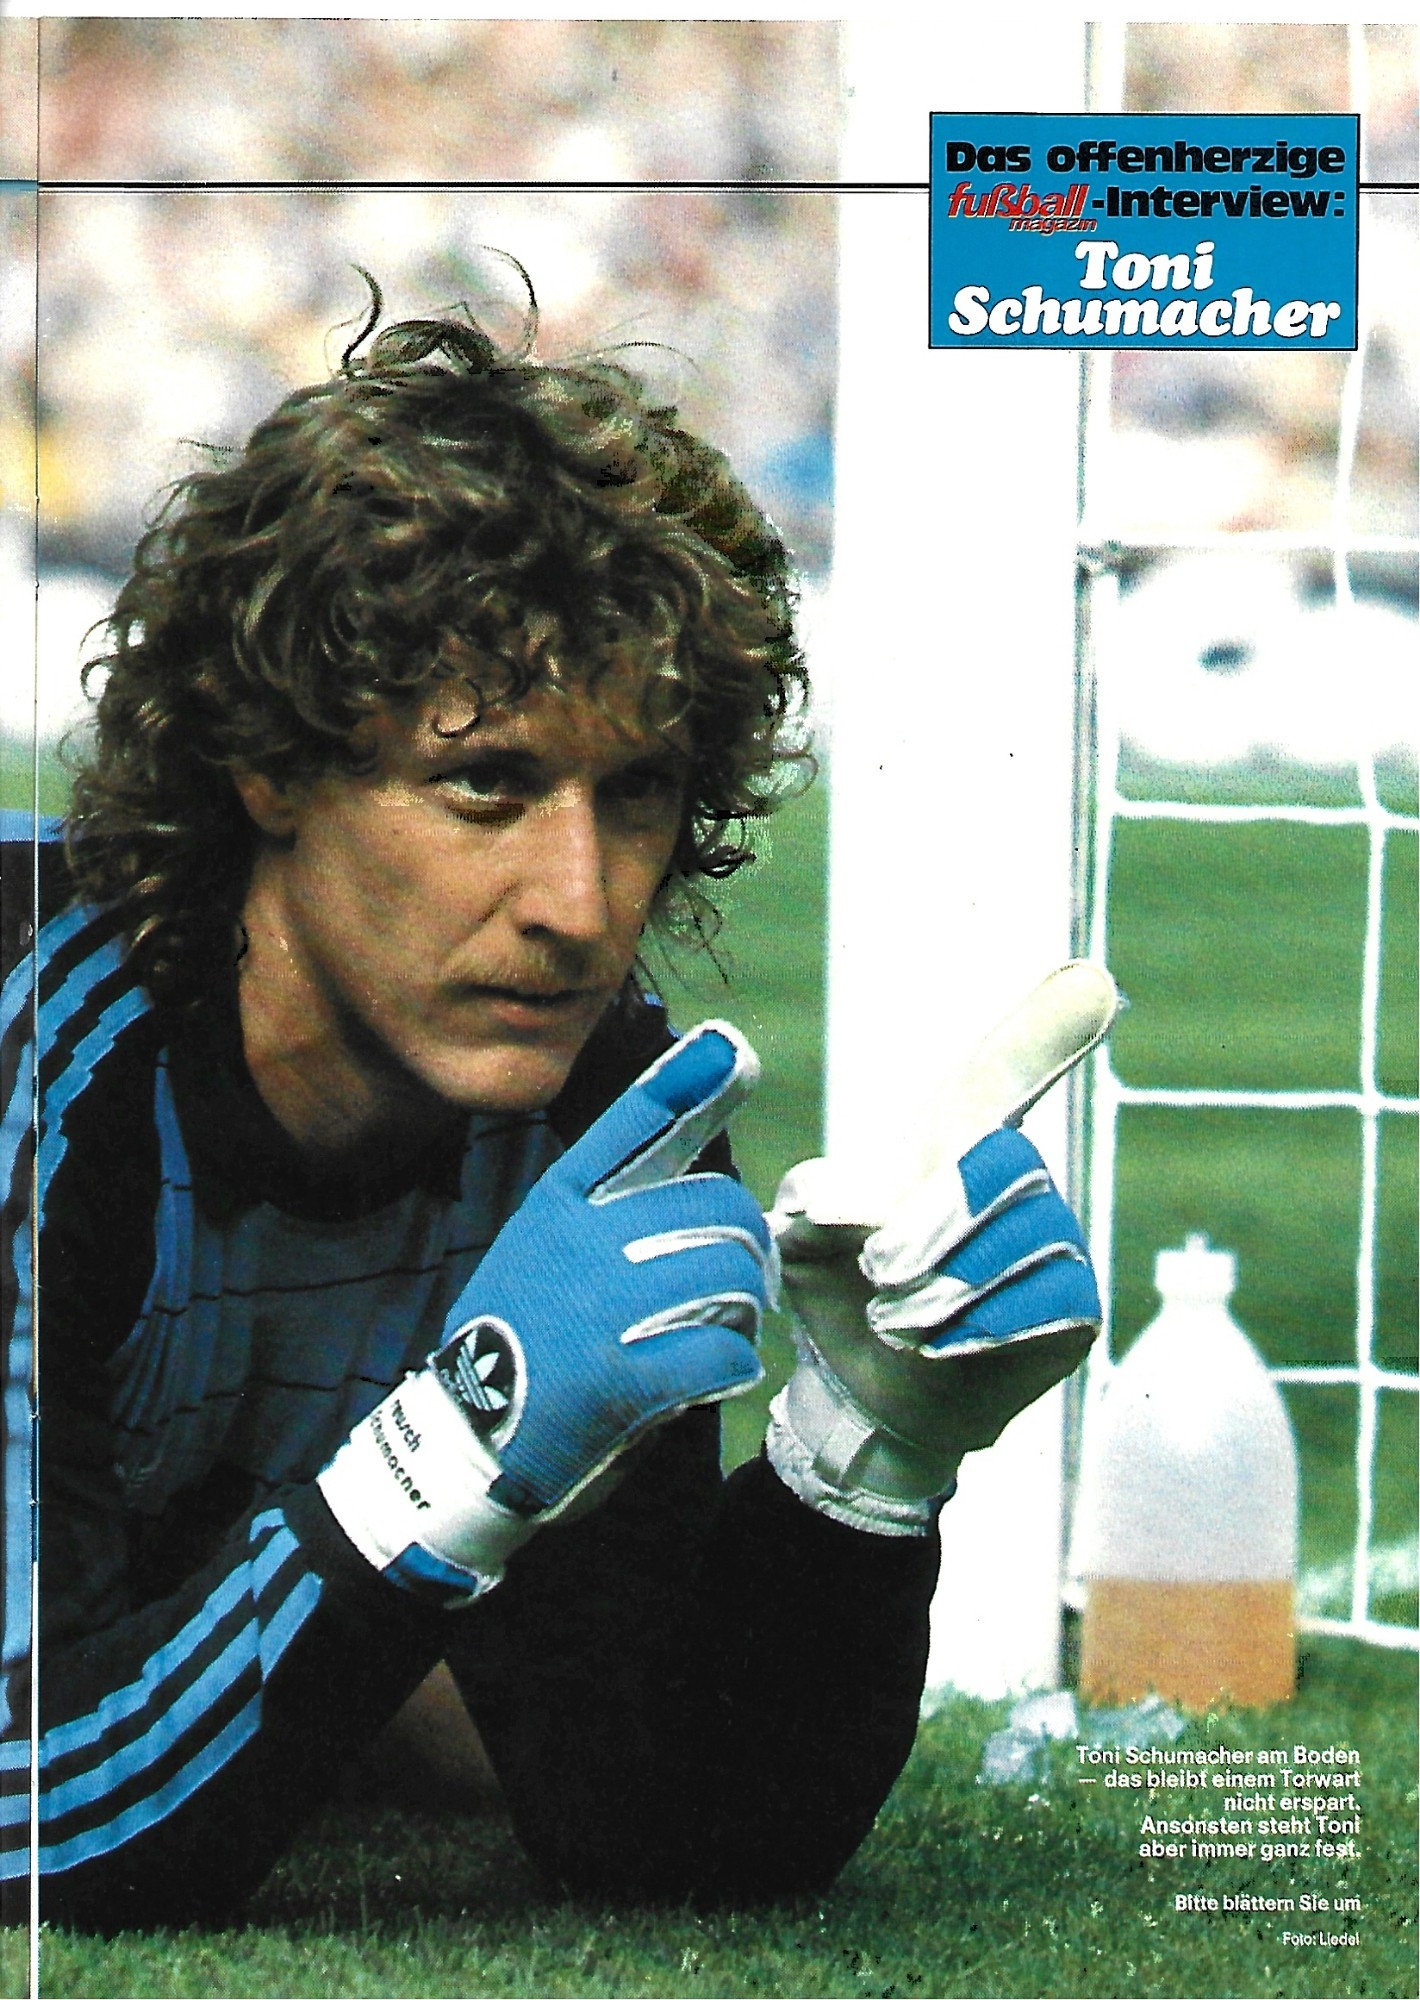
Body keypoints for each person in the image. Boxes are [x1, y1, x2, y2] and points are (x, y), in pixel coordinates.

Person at [1, 280, 1103, 1933]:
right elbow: (27, 1817)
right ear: (270, 765)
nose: (580, 906)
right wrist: (451, 1448)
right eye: (487, 785)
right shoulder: (42, 1055)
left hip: (125, 1603)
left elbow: (659, 1827)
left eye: (636, 792)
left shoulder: (585, 1084)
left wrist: (861, 1464)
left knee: (430, 1707)